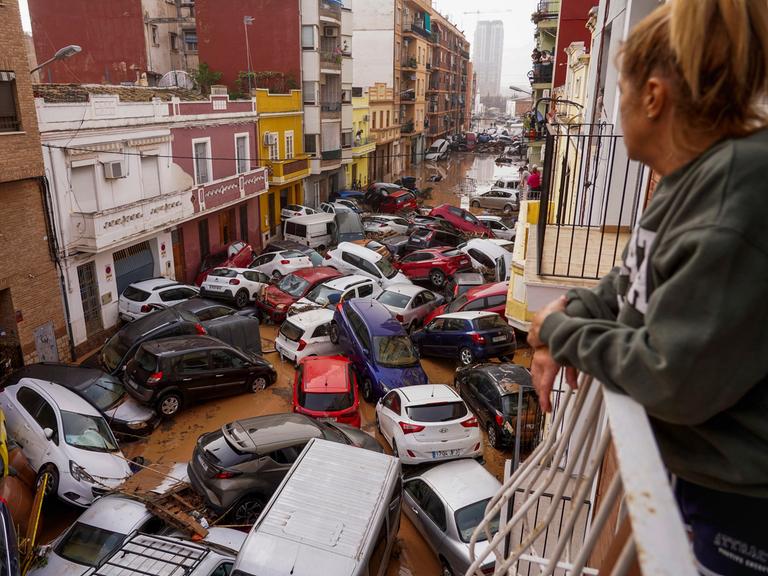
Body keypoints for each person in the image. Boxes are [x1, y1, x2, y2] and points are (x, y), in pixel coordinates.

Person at [527, 2, 768, 574]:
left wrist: (559, 328)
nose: (618, 107)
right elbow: (630, 277)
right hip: (702, 479)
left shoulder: (736, 190)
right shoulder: (695, 178)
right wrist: (576, 310)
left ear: (654, 96)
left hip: (742, 513)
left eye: (621, 90)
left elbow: (672, 376)